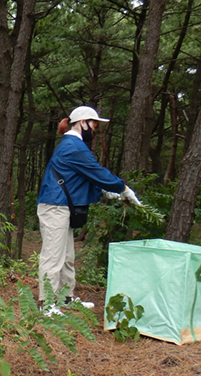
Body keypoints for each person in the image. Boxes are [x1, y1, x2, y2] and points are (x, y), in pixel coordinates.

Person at [36, 106, 140, 314]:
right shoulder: (74, 146)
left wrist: (102, 189)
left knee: (66, 256)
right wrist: (123, 189)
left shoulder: (73, 145)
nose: (95, 129)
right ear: (82, 122)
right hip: (55, 206)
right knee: (53, 256)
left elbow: (81, 175)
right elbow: (95, 171)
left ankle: (65, 298)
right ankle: (46, 305)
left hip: (62, 206)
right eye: (93, 125)